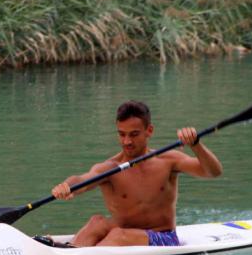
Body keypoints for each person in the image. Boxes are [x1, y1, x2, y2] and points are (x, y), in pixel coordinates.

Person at [51, 100, 222, 247]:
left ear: (149, 131)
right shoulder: (110, 167)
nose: (127, 141)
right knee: (97, 222)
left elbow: (213, 172)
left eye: (134, 134)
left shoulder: (168, 160)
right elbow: (82, 180)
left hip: (163, 239)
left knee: (118, 235)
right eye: (122, 134)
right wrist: (67, 187)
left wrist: (196, 145)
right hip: (124, 235)